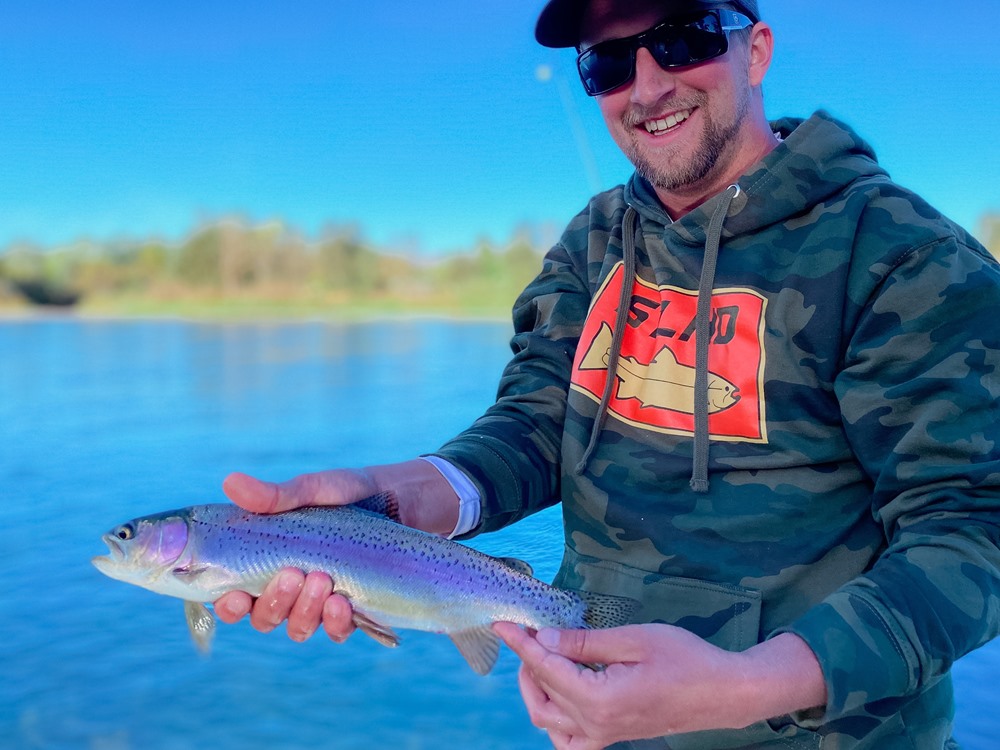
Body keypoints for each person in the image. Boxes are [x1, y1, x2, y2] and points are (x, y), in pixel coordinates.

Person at [214, 0, 1000, 748]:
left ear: (755, 50)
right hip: (595, 729)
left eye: (685, 37)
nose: (650, 84)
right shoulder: (595, 241)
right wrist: (385, 503)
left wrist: (746, 684)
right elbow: (534, 423)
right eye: (610, 61)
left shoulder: (906, 258)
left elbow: (972, 529)